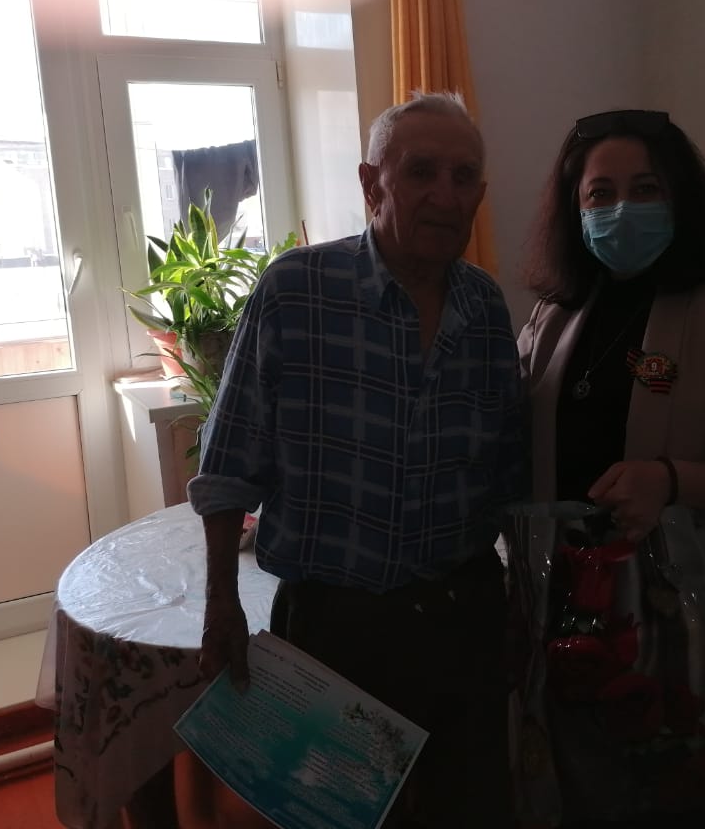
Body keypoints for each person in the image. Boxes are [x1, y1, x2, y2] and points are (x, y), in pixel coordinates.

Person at [189, 91, 525, 829]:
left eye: (463, 177)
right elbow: (228, 465)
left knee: (473, 812)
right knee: (338, 818)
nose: (446, 196)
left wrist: (521, 605)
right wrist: (221, 605)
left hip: (462, 618)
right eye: (421, 172)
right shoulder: (296, 292)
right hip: (337, 633)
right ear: (373, 184)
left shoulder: (486, 309)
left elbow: (508, 474)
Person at [508, 109, 705, 828]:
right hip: (579, 631)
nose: (621, 209)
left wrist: (670, 479)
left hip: (702, 638)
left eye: (645, 189)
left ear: (680, 198)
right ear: (575, 210)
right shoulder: (554, 316)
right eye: (600, 194)